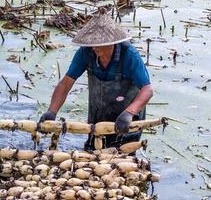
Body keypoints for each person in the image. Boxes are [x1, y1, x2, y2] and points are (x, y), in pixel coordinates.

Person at [39, 12, 153, 149]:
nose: (94, 47)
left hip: (126, 119)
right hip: (98, 118)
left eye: (99, 44)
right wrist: (52, 111)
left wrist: (129, 113)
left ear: (111, 43)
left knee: (122, 157)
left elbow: (147, 90)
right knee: (92, 154)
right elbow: (66, 83)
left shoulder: (129, 55)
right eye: (92, 44)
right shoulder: (85, 53)